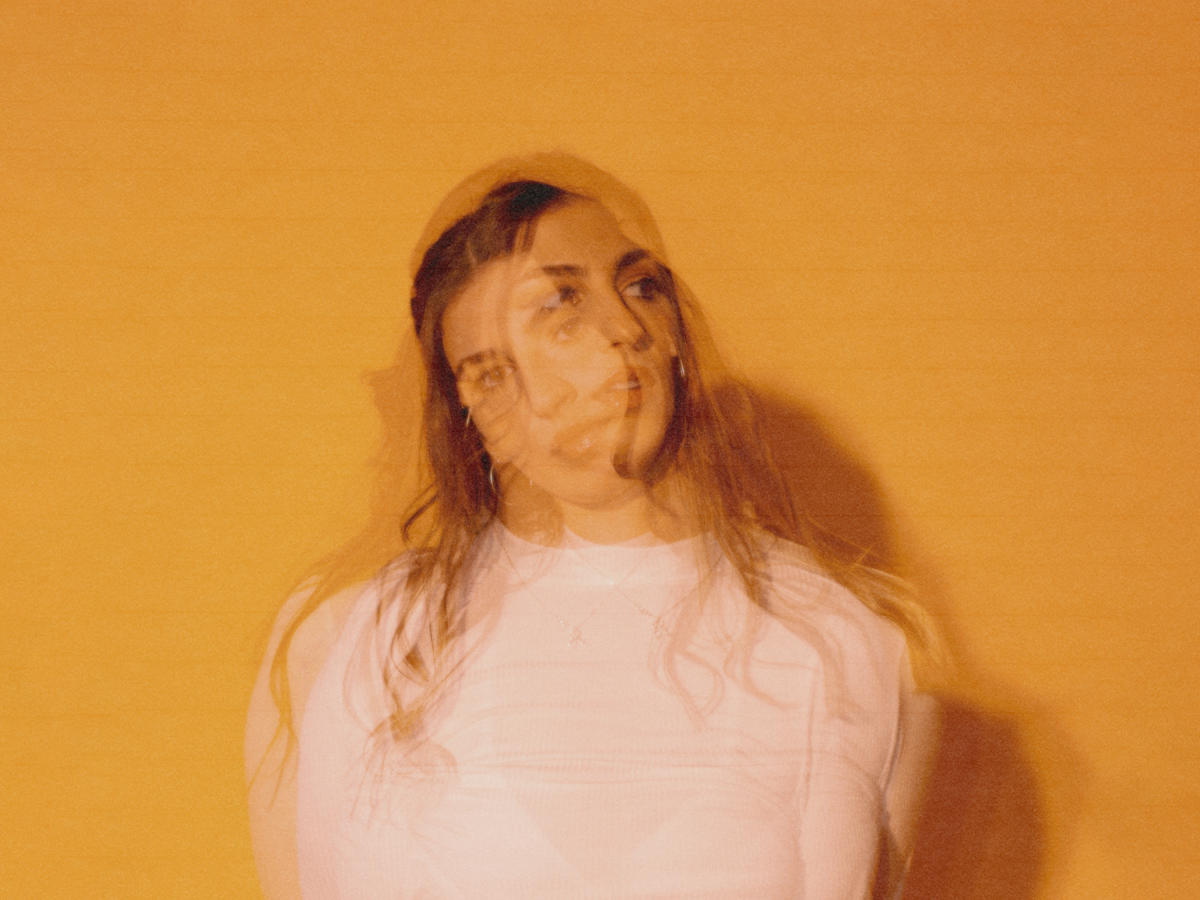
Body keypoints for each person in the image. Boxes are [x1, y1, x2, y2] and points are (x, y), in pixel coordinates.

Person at [245, 153, 940, 900]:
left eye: (639, 287)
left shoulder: (847, 636)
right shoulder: (356, 637)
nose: (625, 330)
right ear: (479, 393)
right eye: (561, 311)